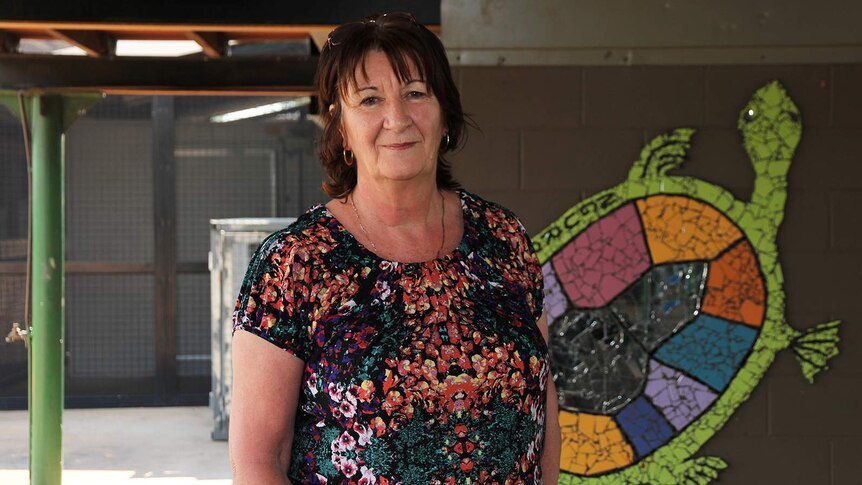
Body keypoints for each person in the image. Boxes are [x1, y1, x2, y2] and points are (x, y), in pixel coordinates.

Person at [229, 12, 560, 484]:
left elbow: (543, 400)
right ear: (340, 127)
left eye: (416, 93)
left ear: (444, 113)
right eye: (369, 99)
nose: (397, 118)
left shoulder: (504, 239)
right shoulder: (293, 264)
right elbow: (258, 460)